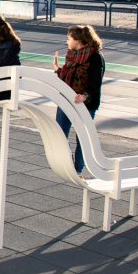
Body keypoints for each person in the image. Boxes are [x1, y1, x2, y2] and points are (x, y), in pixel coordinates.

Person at [53, 25, 105, 176]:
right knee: (60, 133)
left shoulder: (95, 57)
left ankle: (78, 168)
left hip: (85, 103)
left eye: (68, 39)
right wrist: (57, 69)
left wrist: (85, 95)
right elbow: (67, 75)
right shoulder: (72, 54)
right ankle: (67, 162)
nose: (67, 42)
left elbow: (96, 82)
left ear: (77, 40)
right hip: (67, 98)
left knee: (82, 137)